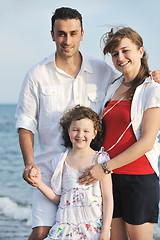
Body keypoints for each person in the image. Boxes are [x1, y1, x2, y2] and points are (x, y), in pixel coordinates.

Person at [15, 7, 116, 240]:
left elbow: (127, 87)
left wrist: (151, 77)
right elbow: (25, 124)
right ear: (52, 35)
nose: (67, 40)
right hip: (49, 171)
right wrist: (29, 164)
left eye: (73, 33)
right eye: (61, 33)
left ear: (82, 34)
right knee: (41, 231)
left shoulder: (102, 71)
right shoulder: (36, 75)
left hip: (90, 174)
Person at [78, 27, 160, 240]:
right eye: (115, 54)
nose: (120, 58)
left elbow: (147, 142)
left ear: (140, 51)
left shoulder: (152, 89)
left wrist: (103, 168)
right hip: (109, 179)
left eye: (126, 51)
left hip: (138, 178)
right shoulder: (112, 86)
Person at [29, 105, 113, 240]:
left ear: (94, 133)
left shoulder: (100, 160)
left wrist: (105, 230)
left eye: (86, 131)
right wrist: (39, 183)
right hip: (64, 229)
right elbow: (59, 198)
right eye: (75, 130)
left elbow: (108, 198)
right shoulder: (61, 161)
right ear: (68, 131)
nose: (80, 135)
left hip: (92, 229)